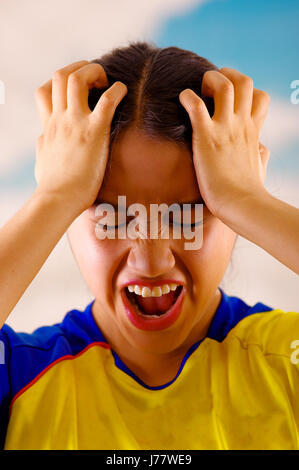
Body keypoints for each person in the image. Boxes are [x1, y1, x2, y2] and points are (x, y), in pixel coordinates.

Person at [0, 40, 298, 450]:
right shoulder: (19, 375)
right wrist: (54, 196)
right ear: (67, 217)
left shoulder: (286, 361)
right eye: (111, 214)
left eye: (189, 214)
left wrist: (249, 199)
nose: (151, 259)